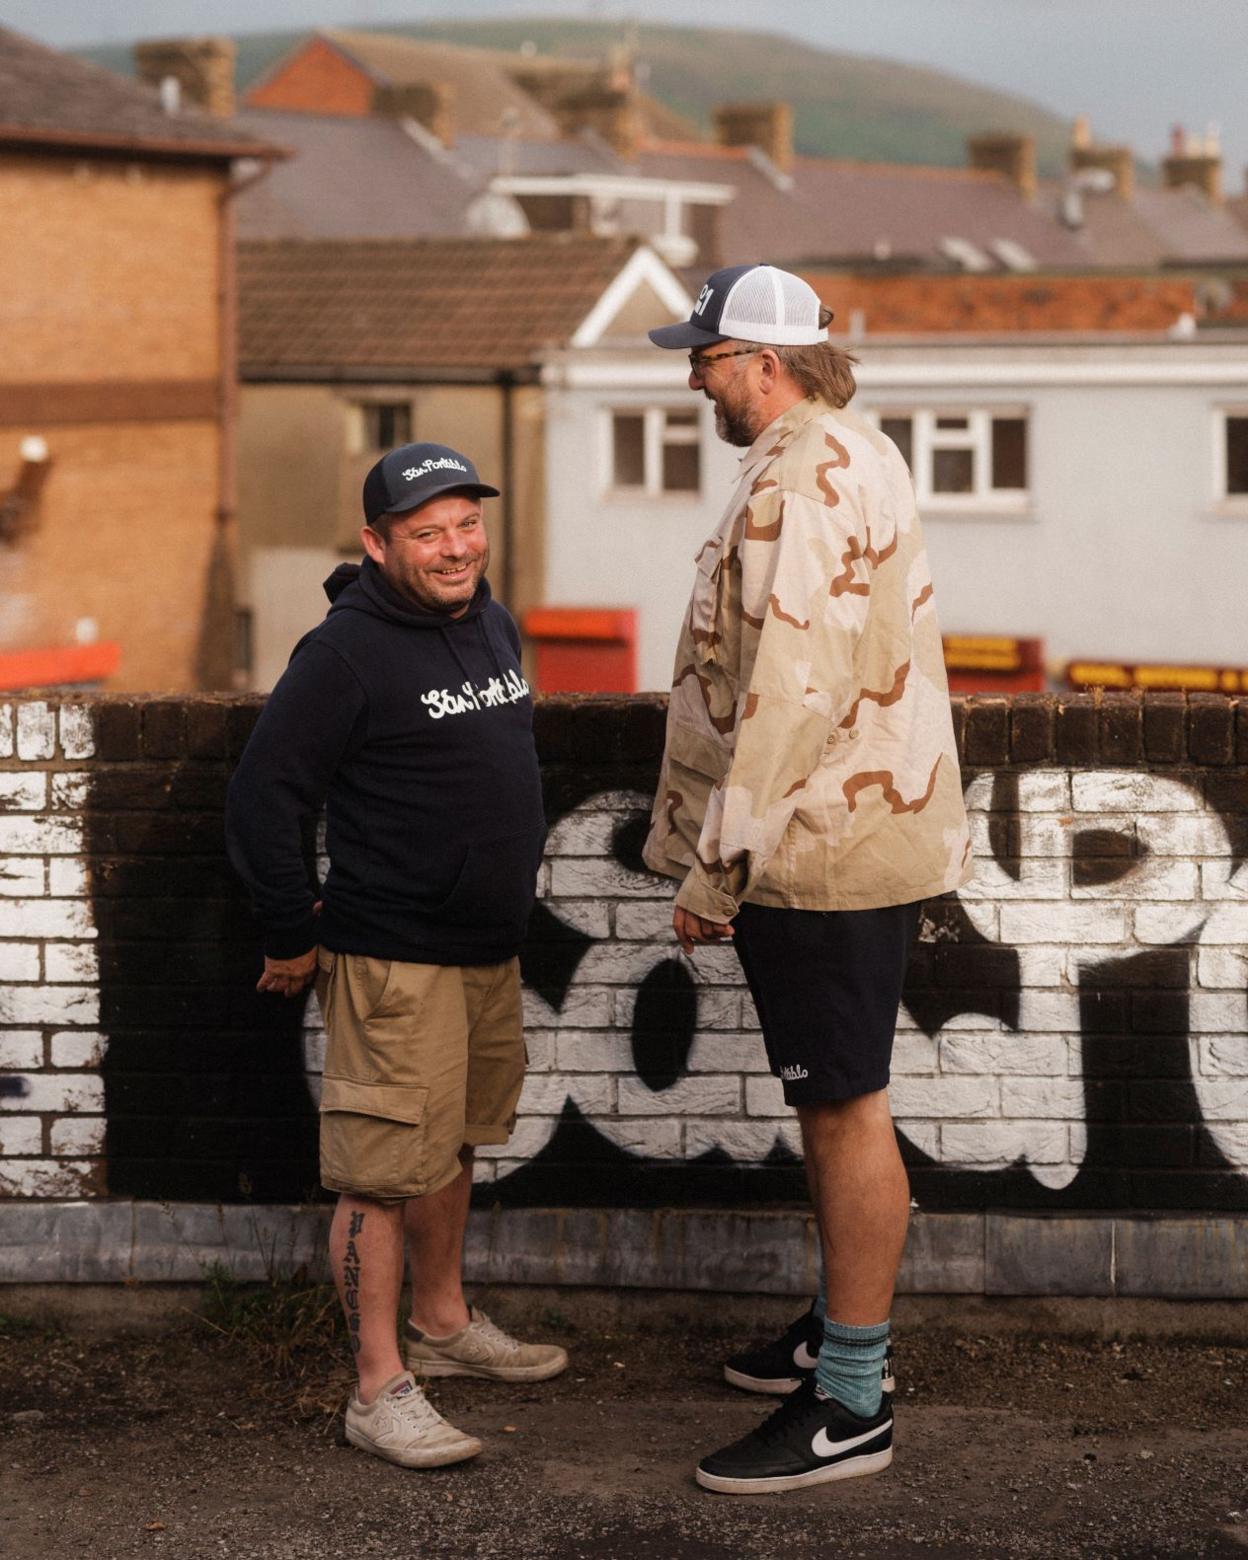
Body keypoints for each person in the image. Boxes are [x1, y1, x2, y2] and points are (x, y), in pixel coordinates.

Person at [643, 264, 972, 1495]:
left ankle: (851, 1401)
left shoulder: (799, 480)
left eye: (704, 358)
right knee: (837, 1099)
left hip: (820, 843)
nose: (693, 377)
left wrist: (716, 872)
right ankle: (840, 1331)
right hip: (846, 828)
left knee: (842, 1109)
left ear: (762, 366)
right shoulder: (855, 449)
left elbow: (791, 693)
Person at [226, 441, 566, 1470]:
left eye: (467, 524)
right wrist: (292, 933)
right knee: (379, 1174)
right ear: (377, 544)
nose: (456, 547)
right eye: (428, 533)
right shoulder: (344, 653)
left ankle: (444, 1322)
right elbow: (262, 797)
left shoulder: (492, 620)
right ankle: (378, 1387)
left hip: (483, 949)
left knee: (451, 1144)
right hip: (393, 955)